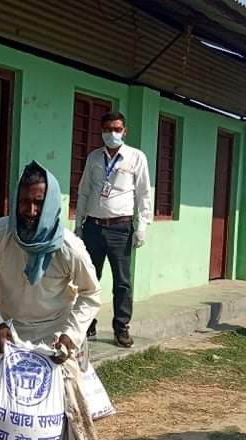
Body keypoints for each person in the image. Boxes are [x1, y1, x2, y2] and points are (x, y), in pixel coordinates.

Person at [0, 162, 100, 358]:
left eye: (39, 202)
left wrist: (71, 335)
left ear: (51, 204)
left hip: (56, 336)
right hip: (7, 334)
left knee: (61, 388)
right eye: (24, 201)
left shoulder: (69, 247)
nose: (31, 211)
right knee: (2, 389)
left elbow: (91, 292)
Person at [74, 111, 152, 348]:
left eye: (117, 129)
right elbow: (84, 190)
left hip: (121, 228)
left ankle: (121, 329)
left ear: (124, 131)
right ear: (102, 131)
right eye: (108, 129)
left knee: (122, 282)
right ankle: (87, 324)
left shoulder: (136, 157)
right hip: (94, 228)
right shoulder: (94, 158)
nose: (112, 134)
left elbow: (144, 193)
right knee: (88, 280)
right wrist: (78, 224)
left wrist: (142, 227)